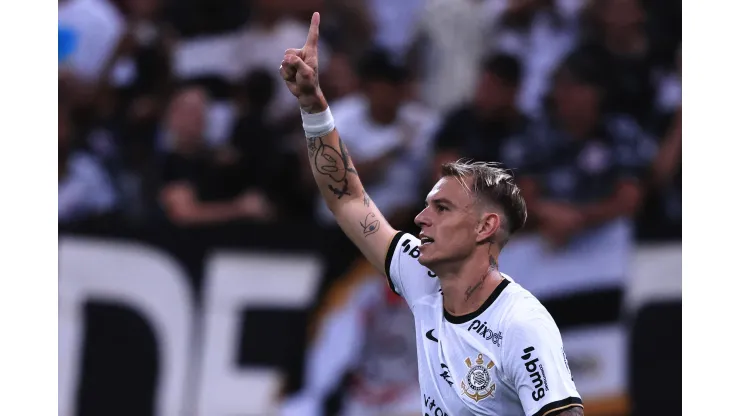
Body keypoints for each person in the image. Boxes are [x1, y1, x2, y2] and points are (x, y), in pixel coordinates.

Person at [278, 13, 583, 416]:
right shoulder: (418, 274)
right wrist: (313, 107)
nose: (421, 218)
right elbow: (347, 199)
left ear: (484, 226)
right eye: (426, 206)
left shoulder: (522, 325)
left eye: (441, 208)